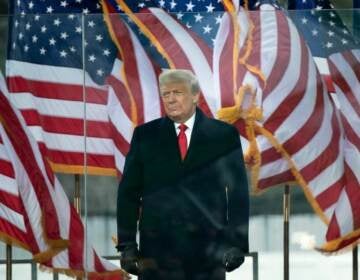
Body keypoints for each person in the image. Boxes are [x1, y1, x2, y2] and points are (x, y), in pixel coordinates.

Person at [116, 69, 249, 280]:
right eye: (165, 94)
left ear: (195, 95)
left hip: (208, 252)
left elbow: (237, 193)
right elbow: (128, 194)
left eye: (177, 92)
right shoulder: (145, 136)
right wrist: (127, 245)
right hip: (156, 253)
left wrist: (237, 243)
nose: (170, 99)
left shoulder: (223, 135)